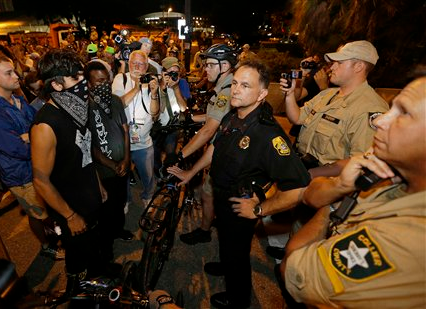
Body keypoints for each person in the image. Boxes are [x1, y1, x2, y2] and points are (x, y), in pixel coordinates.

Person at [169, 59, 311, 308]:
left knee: (237, 254)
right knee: (226, 244)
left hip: (241, 203)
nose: (235, 89)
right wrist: (190, 173)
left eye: (245, 85)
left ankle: (238, 299)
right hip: (221, 195)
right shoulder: (233, 116)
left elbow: (299, 187)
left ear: (262, 94)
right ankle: (226, 265)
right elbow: (214, 148)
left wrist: (259, 209)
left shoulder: (268, 134)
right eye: (235, 83)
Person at [281, 73, 426, 309]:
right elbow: (314, 194)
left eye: (404, 113)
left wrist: (337, 199)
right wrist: (339, 191)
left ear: (358, 65)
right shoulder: (394, 177)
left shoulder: (407, 240)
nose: (380, 121)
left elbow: (294, 269)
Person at [31, 49, 107, 295]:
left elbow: (84, 152)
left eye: (82, 76)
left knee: (95, 246)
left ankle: (97, 280)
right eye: (75, 78)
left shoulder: (76, 109)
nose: (83, 83)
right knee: (78, 255)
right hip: (70, 206)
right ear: (56, 84)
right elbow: (41, 181)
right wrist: (70, 216)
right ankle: (77, 292)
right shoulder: (45, 125)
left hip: (89, 194)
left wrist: (98, 184)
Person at [0, 55, 62, 259]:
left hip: (38, 165)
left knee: (47, 209)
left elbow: (38, 123)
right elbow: (17, 149)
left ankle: (54, 238)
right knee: (39, 214)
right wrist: (36, 138)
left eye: (14, 71)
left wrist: (29, 136)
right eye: (9, 73)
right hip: (21, 175)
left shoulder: (18, 99)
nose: (16, 76)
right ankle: (48, 245)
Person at [281, 40, 389, 178]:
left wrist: (309, 175)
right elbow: (296, 118)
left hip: (324, 181)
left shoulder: (370, 108)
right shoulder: (327, 94)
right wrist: (289, 94)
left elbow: (362, 161)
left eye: (339, 63)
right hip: (300, 168)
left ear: (358, 66)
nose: (332, 68)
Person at [177, 43, 237, 246]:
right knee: (209, 193)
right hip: (224, 151)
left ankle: (207, 232)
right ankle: (209, 226)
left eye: (211, 65)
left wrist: (180, 155)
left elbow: (209, 130)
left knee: (214, 196)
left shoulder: (226, 92)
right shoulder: (224, 87)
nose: (206, 69)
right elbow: (213, 117)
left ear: (225, 66)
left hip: (229, 156)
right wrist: (191, 119)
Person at [86, 61, 134, 253]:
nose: (104, 84)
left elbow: (125, 131)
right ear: (89, 84)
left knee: (120, 201)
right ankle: (106, 249)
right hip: (104, 171)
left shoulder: (115, 100)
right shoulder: (85, 108)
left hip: (122, 166)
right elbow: (90, 146)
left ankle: (118, 230)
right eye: (98, 81)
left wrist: (126, 159)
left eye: (106, 80)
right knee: (107, 210)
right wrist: (113, 165)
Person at [112, 49, 160, 207]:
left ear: (147, 66)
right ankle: (126, 200)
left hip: (143, 141)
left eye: (141, 64)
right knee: (122, 175)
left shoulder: (151, 82)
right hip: (122, 141)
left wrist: (154, 93)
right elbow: (118, 105)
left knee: (148, 175)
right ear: (129, 64)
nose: (138, 67)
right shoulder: (121, 79)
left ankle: (147, 196)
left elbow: (155, 114)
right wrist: (137, 88)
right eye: (134, 63)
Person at [152, 56, 189, 180]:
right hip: (158, 126)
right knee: (154, 154)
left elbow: (183, 108)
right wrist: (162, 87)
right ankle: (157, 173)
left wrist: (176, 88)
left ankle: (169, 174)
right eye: (170, 72)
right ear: (163, 72)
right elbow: (158, 110)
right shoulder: (156, 84)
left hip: (173, 126)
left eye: (176, 72)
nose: (174, 75)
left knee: (171, 154)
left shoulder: (181, 83)